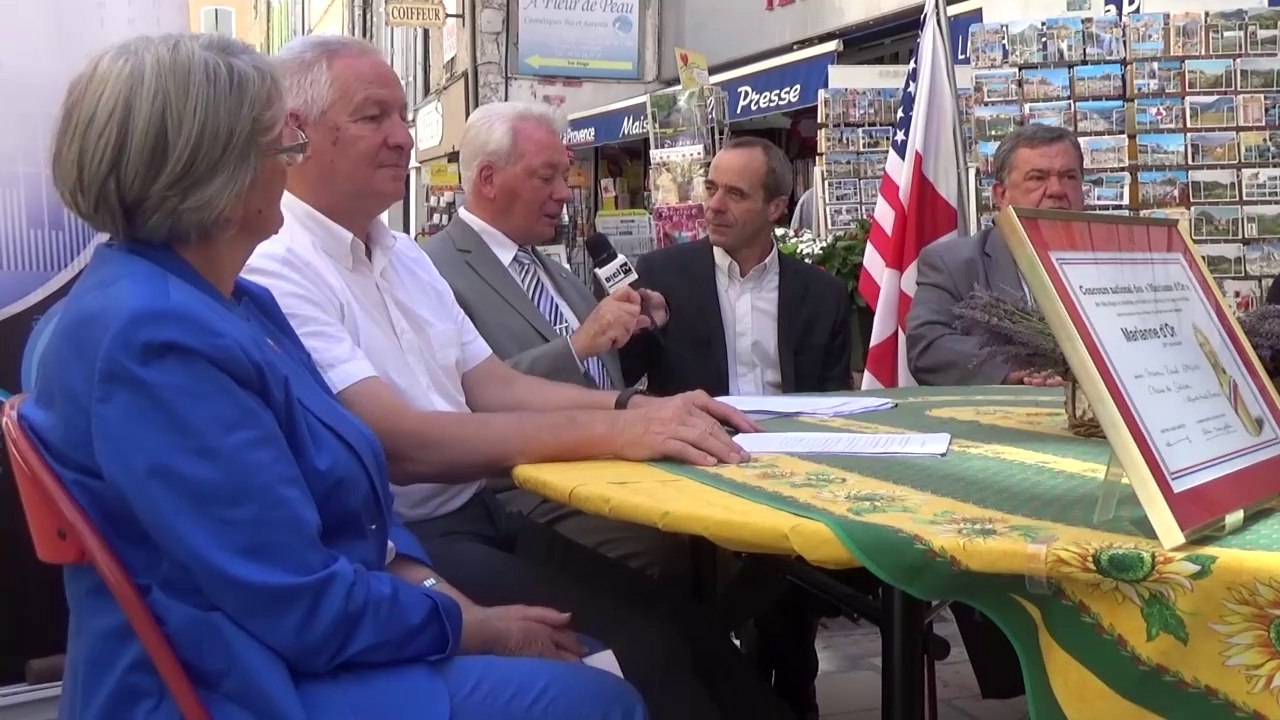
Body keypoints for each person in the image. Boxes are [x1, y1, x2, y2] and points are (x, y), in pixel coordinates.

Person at [20, 33, 644, 720]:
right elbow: (294, 596)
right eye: (276, 145)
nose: (289, 162)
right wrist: (474, 626)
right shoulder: (156, 339)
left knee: (610, 652)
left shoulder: (222, 302)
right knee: (601, 696)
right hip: (237, 681)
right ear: (209, 170)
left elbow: (350, 520)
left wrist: (447, 600)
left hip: (279, 646)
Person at [241, 36, 791, 720]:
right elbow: (402, 446)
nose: (402, 137)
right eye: (373, 116)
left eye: (402, 116)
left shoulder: (400, 254)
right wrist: (621, 431)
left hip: (475, 516)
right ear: (295, 131)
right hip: (405, 541)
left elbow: (491, 383)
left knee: (683, 622)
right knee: (645, 646)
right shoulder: (274, 261)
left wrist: (632, 406)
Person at [617, 136, 853, 720]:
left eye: (736, 194)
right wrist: (624, 329)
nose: (714, 205)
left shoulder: (819, 293)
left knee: (788, 583)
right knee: (741, 583)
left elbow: (829, 400)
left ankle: (787, 685)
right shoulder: (662, 275)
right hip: (694, 465)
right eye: (711, 188)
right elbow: (622, 380)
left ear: (777, 208)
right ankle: (741, 674)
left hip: (789, 465)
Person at [423, 102, 687, 584]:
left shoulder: (554, 268)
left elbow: (600, 378)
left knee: (742, 547)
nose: (565, 194)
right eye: (547, 178)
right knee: (679, 546)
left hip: (616, 465)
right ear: (488, 179)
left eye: (565, 177)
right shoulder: (432, 270)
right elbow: (469, 398)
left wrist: (637, 330)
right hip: (526, 492)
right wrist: (578, 345)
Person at [906, 124, 1082, 387]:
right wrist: (1020, 370)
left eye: (1069, 177)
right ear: (1002, 195)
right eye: (1037, 177)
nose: (1057, 190)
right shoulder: (952, 263)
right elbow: (929, 348)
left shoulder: (1121, 261)